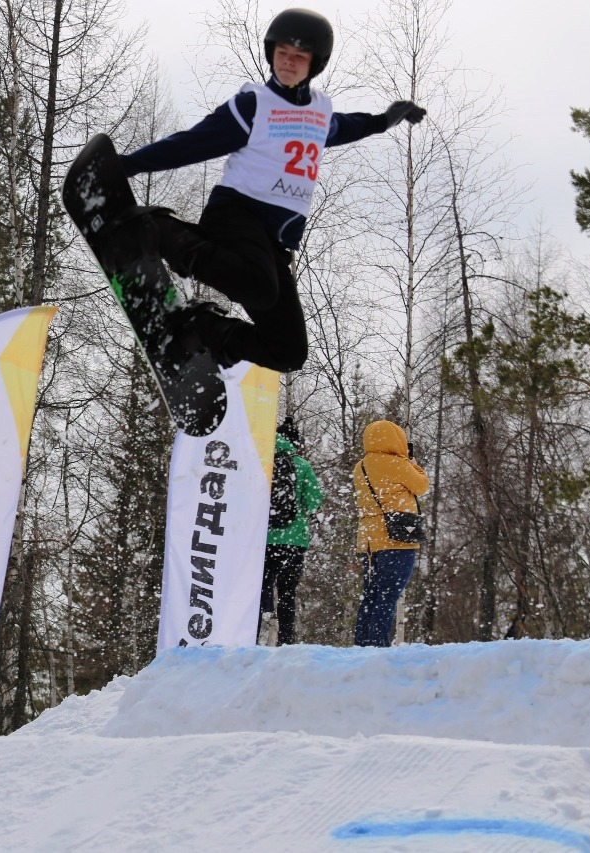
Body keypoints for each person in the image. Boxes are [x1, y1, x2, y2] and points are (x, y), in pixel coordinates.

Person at [117, 8, 426, 373]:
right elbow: (191, 143)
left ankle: (203, 332)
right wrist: (128, 165)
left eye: (299, 57)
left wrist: (384, 120)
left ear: (315, 63)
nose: (288, 63)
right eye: (282, 53)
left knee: (288, 350)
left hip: (273, 241)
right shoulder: (254, 105)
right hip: (236, 214)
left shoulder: (319, 113)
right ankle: (160, 231)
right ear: (271, 53)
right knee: (260, 289)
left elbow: (345, 127)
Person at [352, 419, 430, 647]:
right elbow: (421, 486)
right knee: (388, 596)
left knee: (370, 595)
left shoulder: (361, 466)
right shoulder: (398, 464)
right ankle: (377, 647)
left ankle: (362, 645)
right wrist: (414, 464)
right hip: (397, 538)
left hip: (368, 541)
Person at [261, 416, 324, 644]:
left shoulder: (262, 461)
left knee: (261, 587)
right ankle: (285, 641)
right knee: (287, 593)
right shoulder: (302, 465)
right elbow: (315, 500)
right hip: (294, 540)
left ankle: (253, 634)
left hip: (264, 539)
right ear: (294, 442)